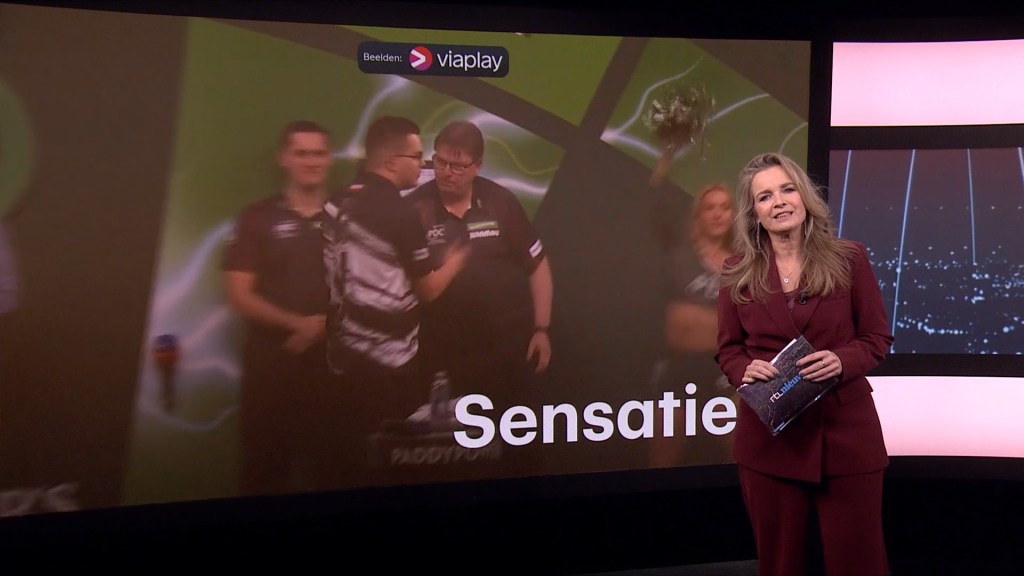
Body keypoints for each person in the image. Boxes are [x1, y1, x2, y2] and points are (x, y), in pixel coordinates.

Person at [716, 152, 893, 576]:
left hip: (846, 438)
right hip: (770, 441)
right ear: (754, 213)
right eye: (765, 197)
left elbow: (876, 338)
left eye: (787, 189)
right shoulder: (737, 271)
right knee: (783, 565)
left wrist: (841, 360)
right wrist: (743, 370)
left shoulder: (849, 258)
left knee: (859, 564)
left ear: (805, 197)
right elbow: (729, 349)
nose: (778, 202)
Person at [322, 115, 468, 486]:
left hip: (341, 361)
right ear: (390, 161)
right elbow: (429, 290)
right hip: (388, 370)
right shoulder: (399, 214)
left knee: (348, 463)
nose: (422, 165)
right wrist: (457, 259)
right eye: (416, 157)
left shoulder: (336, 202)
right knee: (389, 470)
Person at [222, 120, 339, 496]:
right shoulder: (256, 217)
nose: (311, 161)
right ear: (283, 158)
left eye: (318, 153)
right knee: (264, 477)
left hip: (335, 373)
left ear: (329, 159)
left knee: (336, 475)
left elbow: (372, 289)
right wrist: (297, 324)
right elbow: (238, 295)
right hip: (270, 371)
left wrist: (326, 326)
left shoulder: (349, 218)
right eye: (301, 153)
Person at [406, 120, 553, 421]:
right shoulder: (415, 209)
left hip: (504, 348)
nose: (446, 172)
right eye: (440, 162)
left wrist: (541, 329)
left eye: (458, 166)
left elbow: (538, 267)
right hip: (440, 354)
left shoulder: (501, 202)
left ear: (477, 166)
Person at [648, 179, 738, 467]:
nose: (718, 214)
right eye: (710, 207)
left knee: (737, 451)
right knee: (664, 454)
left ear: (733, 215)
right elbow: (655, 206)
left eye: (724, 207)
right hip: (679, 367)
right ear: (698, 215)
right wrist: (663, 165)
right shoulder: (680, 251)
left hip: (723, 369)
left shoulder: (741, 264)